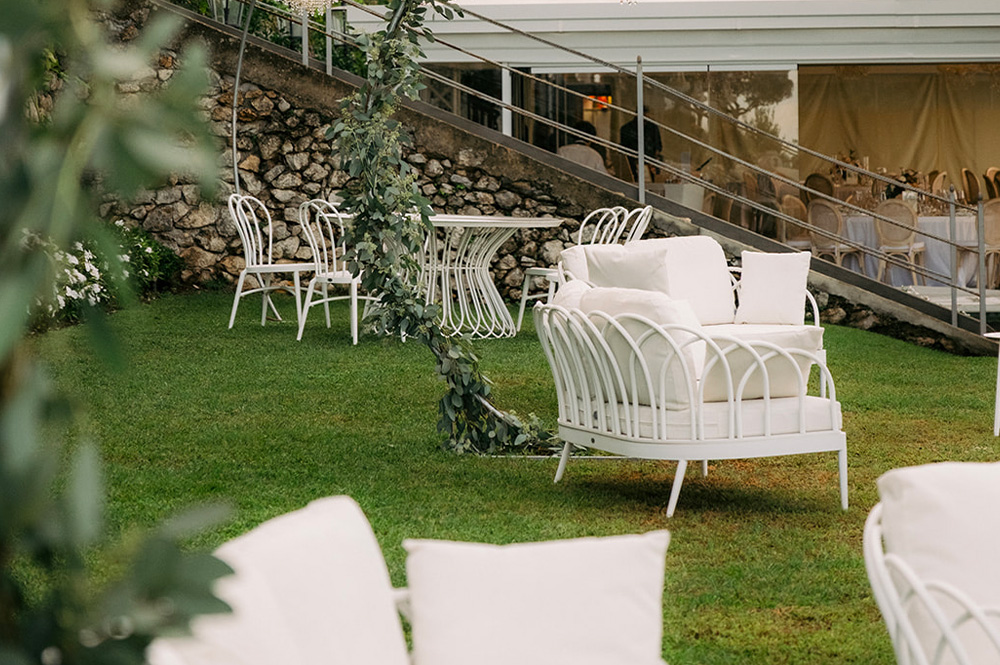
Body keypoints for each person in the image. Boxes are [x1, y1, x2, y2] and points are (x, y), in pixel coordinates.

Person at [619, 106, 662, 180]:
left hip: (649, 163)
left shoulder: (653, 128)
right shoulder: (626, 129)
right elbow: (624, 149)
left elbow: (658, 146)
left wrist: (654, 160)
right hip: (633, 163)